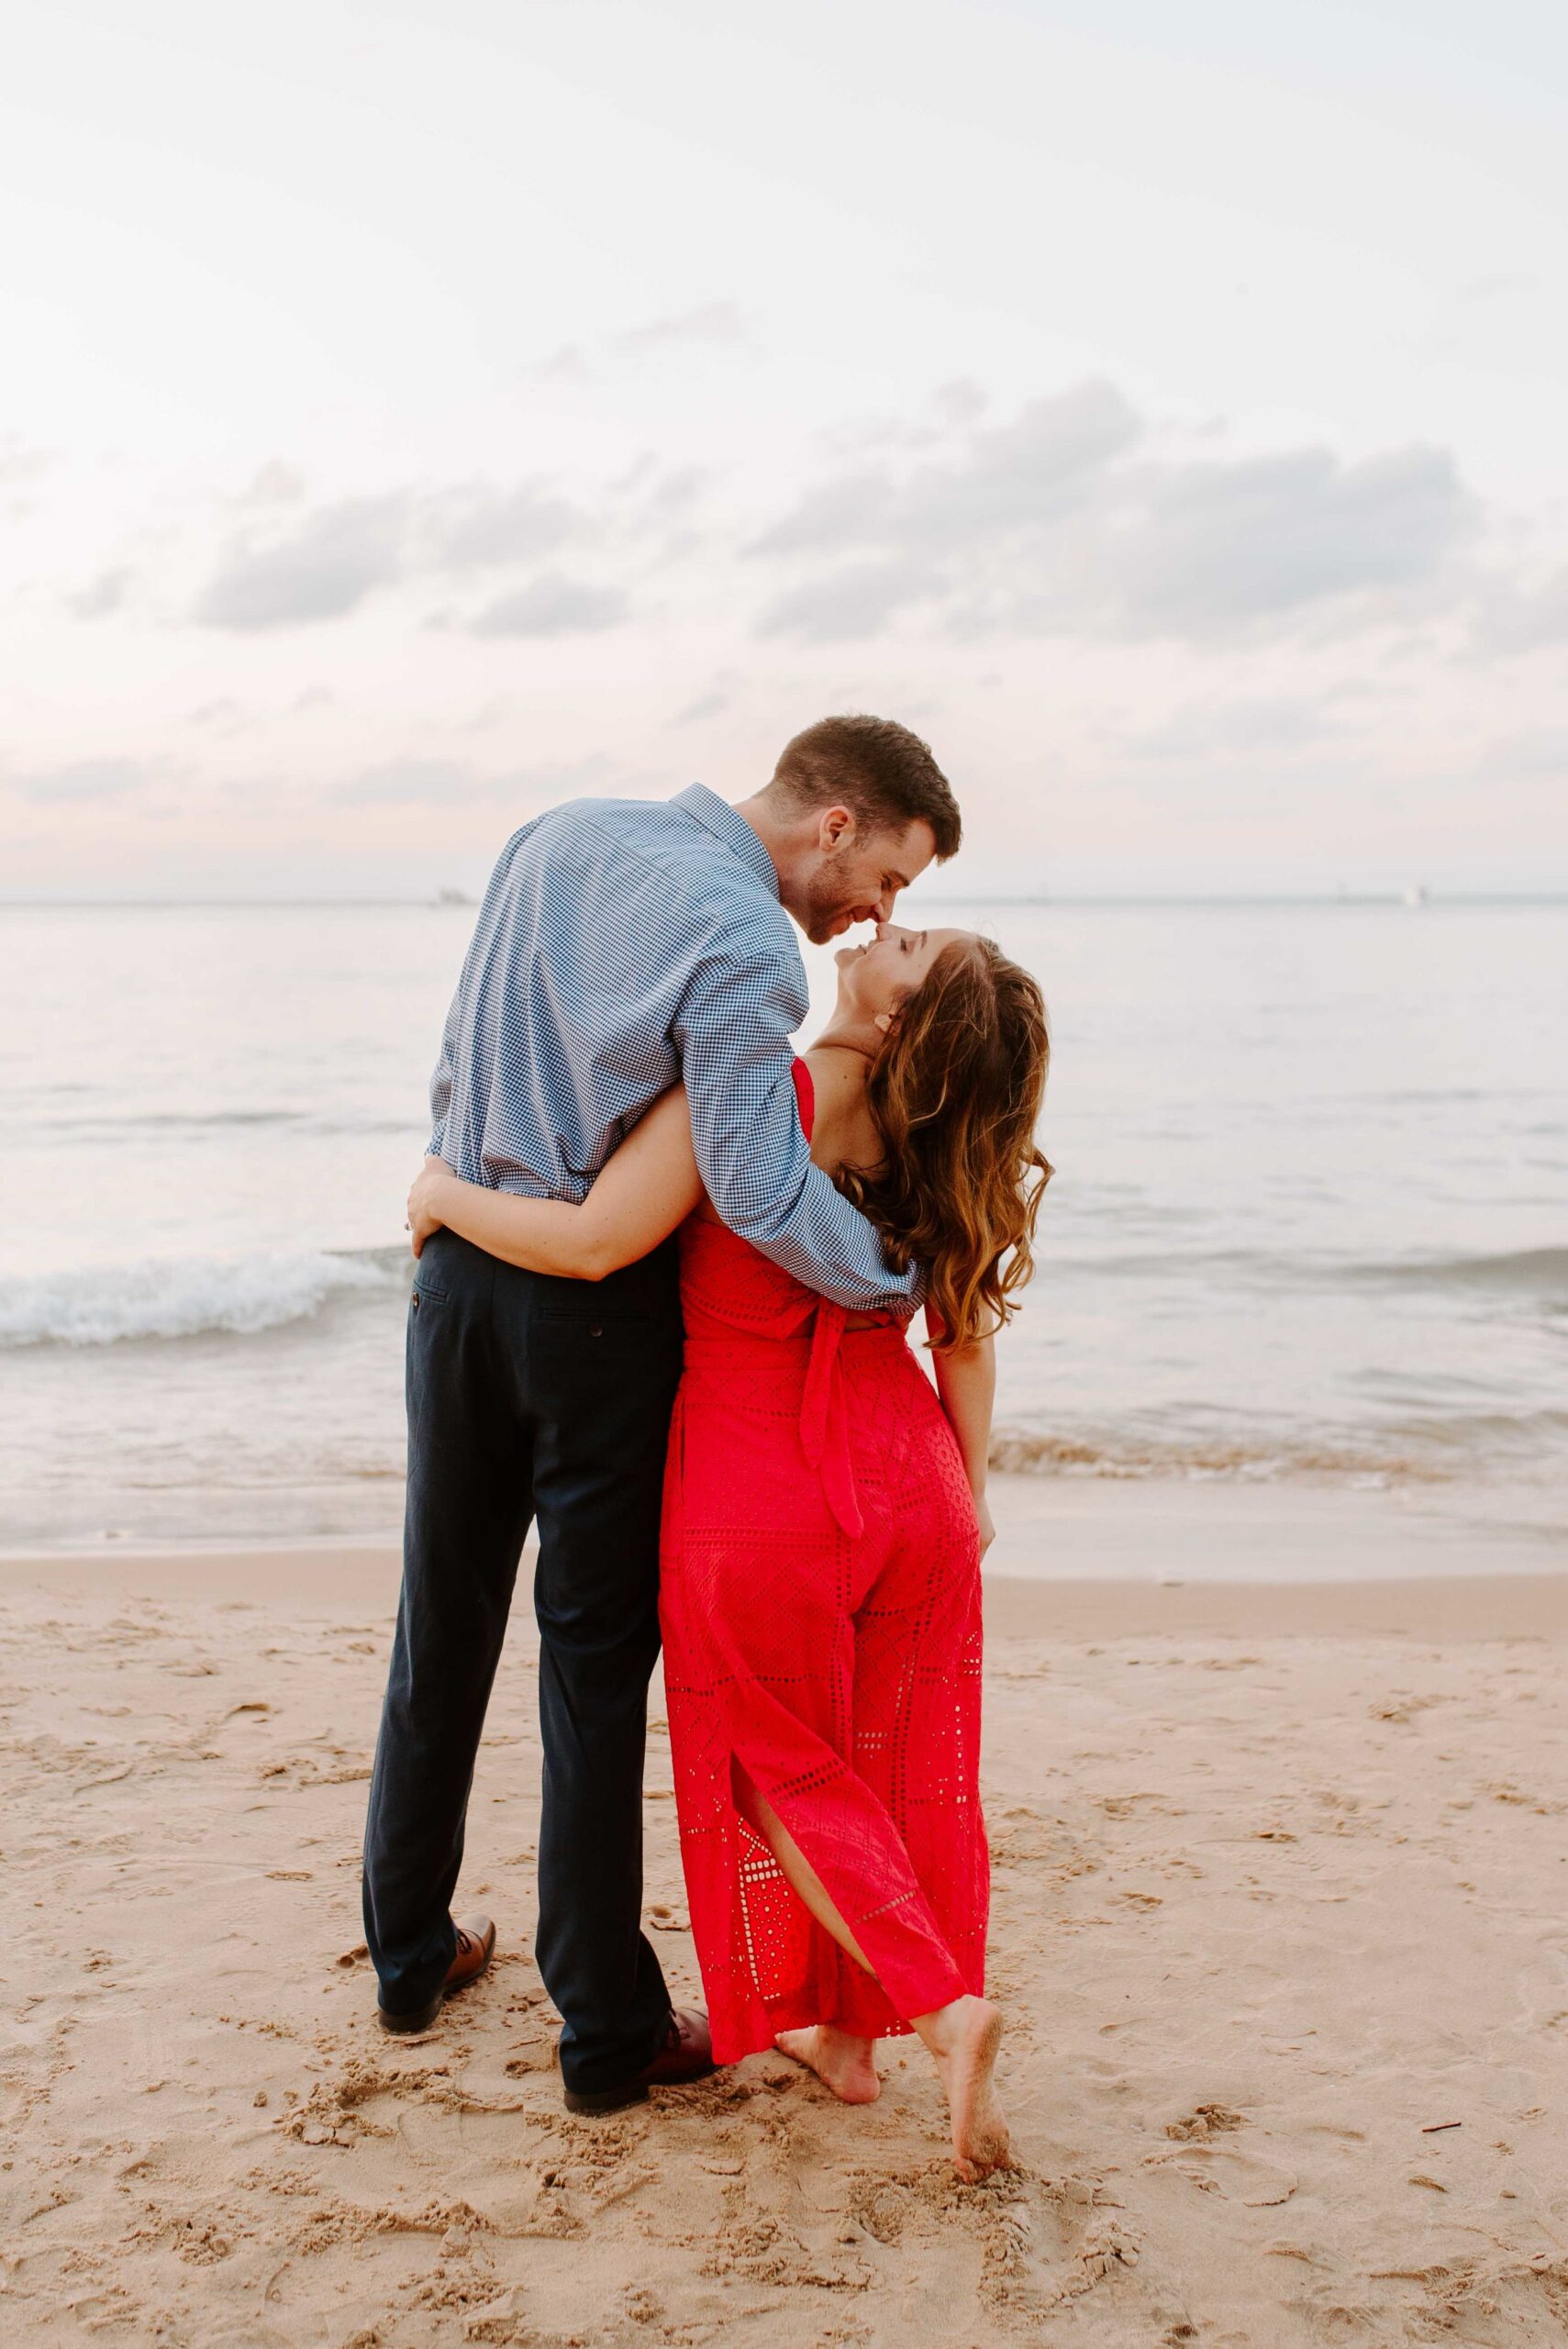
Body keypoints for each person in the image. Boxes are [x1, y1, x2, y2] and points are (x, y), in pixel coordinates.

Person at [361, 715, 961, 2121]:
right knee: (586, 1667)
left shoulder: (554, 832)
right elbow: (752, 1184)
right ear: (835, 824)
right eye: (890, 875)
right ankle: (605, 2033)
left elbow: (460, 1056)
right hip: (590, 1320)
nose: (878, 912)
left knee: (437, 1619)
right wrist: (894, 1279)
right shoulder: (747, 941)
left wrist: (454, 1194)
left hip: (454, 1277)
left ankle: (406, 1958)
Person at [407, 918, 1051, 2178]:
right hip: (910, 1476)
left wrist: (442, 1195)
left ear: (904, 1018)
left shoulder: (766, 1094)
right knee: (880, 1756)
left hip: (761, 1487)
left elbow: (593, 1238)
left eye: (910, 946)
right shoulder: (942, 1147)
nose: (887, 927)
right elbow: (965, 1340)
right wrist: (965, 1497)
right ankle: (838, 2036)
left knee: (771, 1765)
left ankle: (933, 2004)